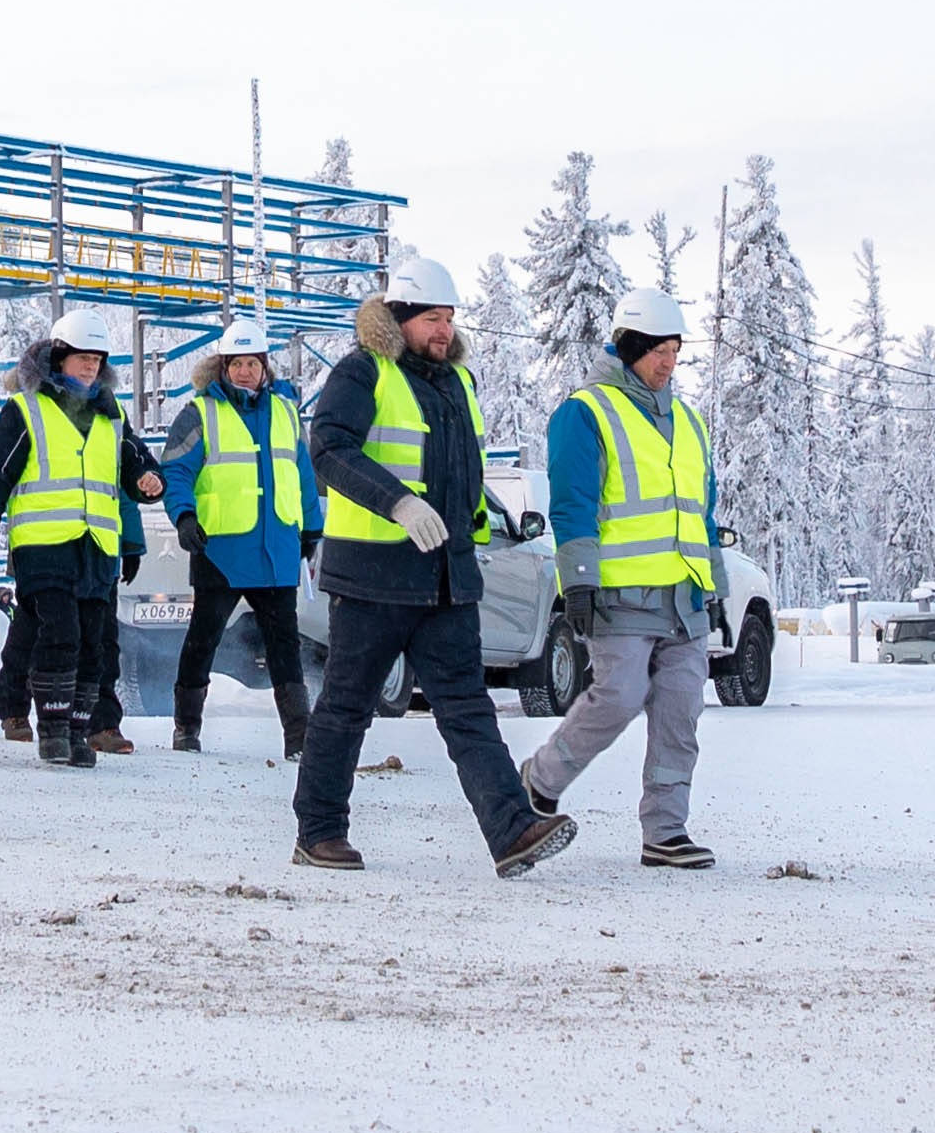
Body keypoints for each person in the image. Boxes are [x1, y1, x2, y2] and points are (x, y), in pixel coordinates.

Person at [288, 256, 577, 878]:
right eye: (430, 319)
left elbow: (462, 478)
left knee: (468, 709)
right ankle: (318, 833)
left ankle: (512, 831)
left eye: (448, 319)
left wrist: (474, 532)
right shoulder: (364, 371)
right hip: (372, 576)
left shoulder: (457, 384)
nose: (442, 331)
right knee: (345, 708)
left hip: (445, 578)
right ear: (398, 318)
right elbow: (330, 450)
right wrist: (397, 501)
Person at [515, 312, 731, 868]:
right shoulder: (585, 413)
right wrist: (579, 583)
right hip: (621, 594)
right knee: (619, 696)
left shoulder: (687, 420)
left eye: (676, 352)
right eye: (659, 351)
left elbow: (699, 513)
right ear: (631, 346)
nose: (668, 363)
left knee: (681, 711)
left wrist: (717, 588)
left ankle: (665, 831)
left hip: (684, 598)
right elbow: (572, 505)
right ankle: (540, 779)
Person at [0, 326, 168, 768]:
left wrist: (148, 480)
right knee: (60, 634)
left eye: (97, 359)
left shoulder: (109, 413)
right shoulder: (26, 409)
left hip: (95, 545)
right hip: (43, 545)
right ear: (58, 358)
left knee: (93, 644)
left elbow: (135, 461)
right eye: (82, 357)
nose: (91, 365)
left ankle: (78, 730)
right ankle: (53, 729)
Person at [154, 319, 317, 757]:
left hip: (278, 546)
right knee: (203, 639)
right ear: (223, 367)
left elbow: (302, 474)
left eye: (253, 363)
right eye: (237, 363)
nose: (245, 371)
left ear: (265, 367)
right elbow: (176, 471)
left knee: (285, 646)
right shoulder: (200, 412)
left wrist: (312, 525)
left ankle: (299, 737)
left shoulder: (285, 412)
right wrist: (184, 516)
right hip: (219, 547)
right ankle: (186, 727)